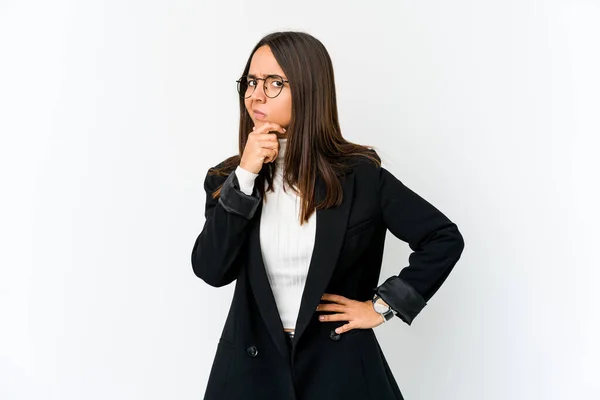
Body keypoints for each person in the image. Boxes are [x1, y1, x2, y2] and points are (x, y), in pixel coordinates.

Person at [191, 31, 465, 400]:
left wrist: (382, 307)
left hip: (339, 370)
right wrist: (246, 174)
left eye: (274, 83)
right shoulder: (229, 179)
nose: (256, 94)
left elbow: (442, 237)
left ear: (308, 88)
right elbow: (212, 269)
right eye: (251, 81)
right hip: (250, 373)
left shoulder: (359, 176)